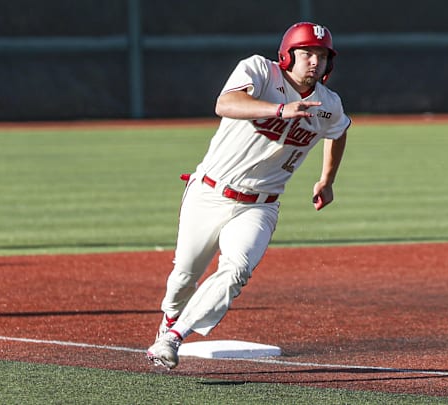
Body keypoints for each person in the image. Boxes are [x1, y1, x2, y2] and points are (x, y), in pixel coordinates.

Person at [146, 22, 350, 369]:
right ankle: (170, 319)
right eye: (306, 53)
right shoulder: (258, 70)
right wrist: (278, 110)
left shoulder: (328, 103)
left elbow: (340, 130)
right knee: (184, 277)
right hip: (209, 193)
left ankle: (173, 337)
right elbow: (226, 103)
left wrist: (326, 179)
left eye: (321, 55)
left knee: (237, 270)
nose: (314, 62)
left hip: (260, 205)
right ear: (287, 55)